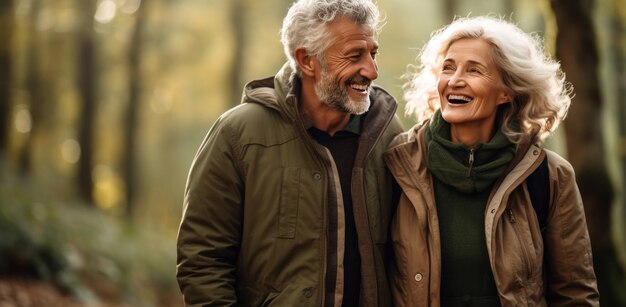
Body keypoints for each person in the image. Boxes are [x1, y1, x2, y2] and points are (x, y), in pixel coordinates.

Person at [176, 0, 404, 306]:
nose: (372, 71)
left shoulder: (388, 133)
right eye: (354, 56)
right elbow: (202, 261)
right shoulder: (238, 134)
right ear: (307, 61)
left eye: (373, 53)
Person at [384, 16, 599, 306]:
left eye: (474, 70)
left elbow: (575, 293)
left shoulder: (549, 176)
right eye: (448, 67)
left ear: (506, 91)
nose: (455, 80)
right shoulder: (398, 164)